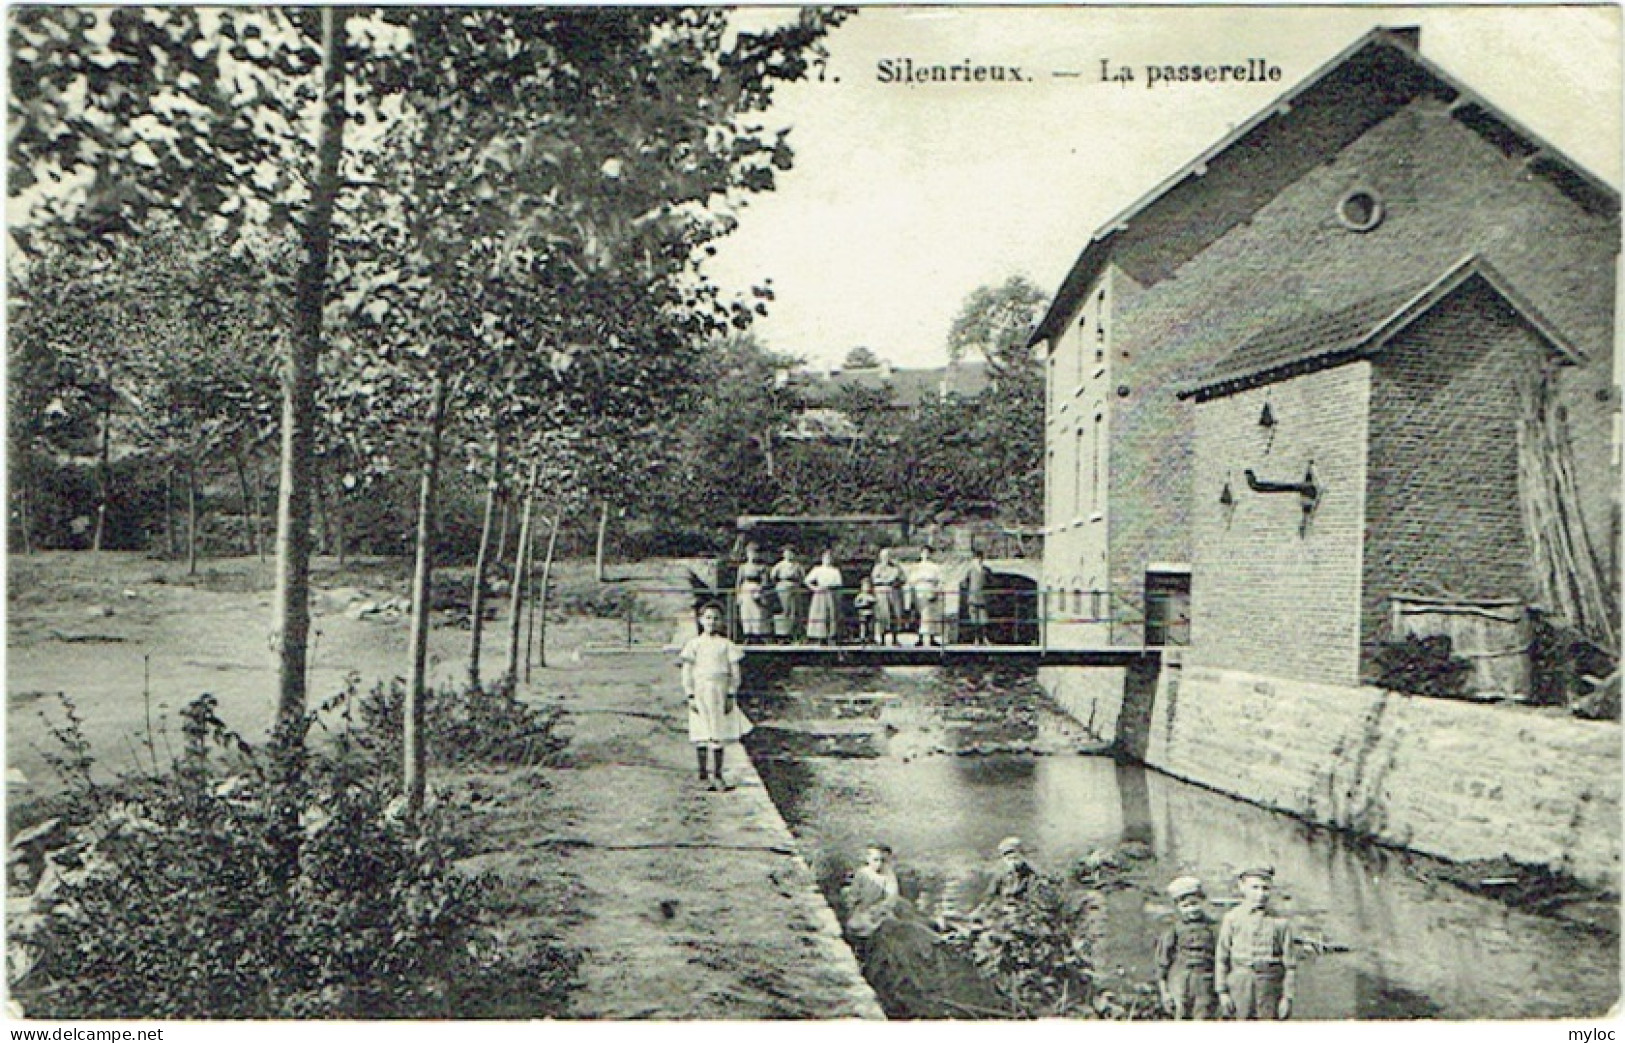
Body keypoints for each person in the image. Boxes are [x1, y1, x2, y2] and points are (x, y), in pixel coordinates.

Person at [677, 603, 751, 791]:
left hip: (719, 690)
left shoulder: (726, 645)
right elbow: (687, 672)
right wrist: (690, 694)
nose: (711, 622)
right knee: (700, 730)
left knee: (717, 731)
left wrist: (731, 694)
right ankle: (702, 774)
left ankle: (717, 775)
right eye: (708, 618)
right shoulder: (694, 644)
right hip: (700, 689)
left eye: (716, 618)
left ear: (721, 622)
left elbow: (735, 673)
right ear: (701, 621)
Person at [1215, 865, 1297, 1020]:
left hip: (1269, 987)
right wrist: (1222, 992)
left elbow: (1290, 965)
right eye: (1255, 888)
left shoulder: (1280, 922)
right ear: (1242, 887)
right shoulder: (1232, 918)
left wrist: (1287, 998)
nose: (1260, 894)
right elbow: (1221, 958)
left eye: (1265, 888)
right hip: (1239, 983)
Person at [1156, 875, 1220, 1020]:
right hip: (1179, 980)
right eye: (1185, 906)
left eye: (1194, 903)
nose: (1191, 909)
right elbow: (1162, 962)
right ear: (1178, 907)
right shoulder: (1173, 929)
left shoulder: (1212, 927)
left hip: (1205, 981)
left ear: (1202, 902)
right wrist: (1164, 992)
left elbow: (1220, 957)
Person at [841, 843, 902, 946]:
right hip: (863, 910)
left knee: (888, 929)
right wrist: (852, 905)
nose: (879, 864)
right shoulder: (862, 873)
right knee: (856, 926)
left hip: (880, 911)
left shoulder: (888, 876)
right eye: (876, 860)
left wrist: (879, 909)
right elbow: (854, 894)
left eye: (882, 861)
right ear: (868, 860)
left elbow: (891, 897)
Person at [804, 549, 844, 645]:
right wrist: (815, 588)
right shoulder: (817, 569)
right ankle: (818, 636)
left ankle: (832, 635)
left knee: (831, 613)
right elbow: (807, 581)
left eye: (829, 558)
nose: (827, 560)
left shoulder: (835, 570)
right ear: (822, 559)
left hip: (830, 593)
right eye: (826, 558)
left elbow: (839, 583)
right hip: (820, 593)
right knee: (819, 614)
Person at [735, 543, 771, 642]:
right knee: (746, 612)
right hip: (745, 589)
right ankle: (747, 634)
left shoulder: (762, 567)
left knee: (757, 613)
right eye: (750, 553)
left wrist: (759, 589)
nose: (753, 555)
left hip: (757, 589)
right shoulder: (743, 567)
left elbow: (765, 582)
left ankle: (757, 635)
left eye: (755, 553)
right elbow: (738, 582)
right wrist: (738, 595)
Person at [870, 549, 906, 645]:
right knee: (883, 615)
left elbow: (903, 578)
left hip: (894, 593)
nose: (886, 558)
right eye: (884, 556)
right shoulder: (877, 567)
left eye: (888, 556)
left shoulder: (896, 567)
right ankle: (882, 638)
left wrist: (895, 580)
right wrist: (885, 580)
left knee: (895, 614)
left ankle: (895, 638)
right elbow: (874, 579)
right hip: (881, 593)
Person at [911, 546, 944, 647]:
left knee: (931, 615)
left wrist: (936, 591)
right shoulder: (916, 567)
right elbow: (912, 580)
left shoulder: (934, 567)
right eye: (924, 553)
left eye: (927, 553)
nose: (925, 555)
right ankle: (920, 638)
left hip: (931, 589)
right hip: (919, 590)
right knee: (920, 615)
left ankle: (932, 637)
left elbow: (941, 580)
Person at [770, 547, 805, 643]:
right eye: (787, 553)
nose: (789, 555)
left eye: (791, 553)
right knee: (784, 611)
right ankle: (782, 635)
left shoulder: (797, 565)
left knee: (794, 611)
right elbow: (772, 576)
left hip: (794, 588)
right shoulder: (780, 565)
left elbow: (802, 577)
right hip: (782, 588)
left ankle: (794, 634)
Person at [963, 548, 992, 645]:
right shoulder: (970, 570)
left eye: (980, 558)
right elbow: (965, 582)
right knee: (974, 620)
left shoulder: (986, 570)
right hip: (972, 598)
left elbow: (990, 582)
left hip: (983, 598)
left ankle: (985, 638)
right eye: (976, 558)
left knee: (984, 620)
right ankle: (976, 639)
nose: (978, 560)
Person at [853, 578, 878, 644]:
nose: (867, 588)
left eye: (868, 586)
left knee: (871, 626)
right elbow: (856, 603)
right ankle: (862, 637)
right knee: (863, 625)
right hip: (862, 613)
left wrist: (871, 602)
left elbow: (875, 601)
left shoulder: (871, 595)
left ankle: (871, 637)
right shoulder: (860, 595)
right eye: (865, 586)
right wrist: (862, 604)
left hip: (870, 613)